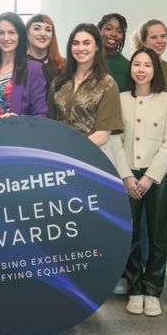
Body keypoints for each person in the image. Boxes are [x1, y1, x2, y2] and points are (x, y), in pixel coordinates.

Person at [49, 23, 125, 293]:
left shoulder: (107, 84)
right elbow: (51, 124)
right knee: (60, 228)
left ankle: (88, 288)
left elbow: (103, 134)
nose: (80, 48)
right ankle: (62, 286)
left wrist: (69, 154)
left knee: (86, 230)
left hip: (90, 164)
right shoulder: (59, 81)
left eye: (86, 43)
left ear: (97, 47)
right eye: (76, 43)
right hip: (58, 167)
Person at [110, 48, 167, 317]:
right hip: (127, 175)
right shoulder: (120, 99)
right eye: (136, 64)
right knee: (130, 235)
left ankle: (153, 291)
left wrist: (150, 177)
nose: (141, 69)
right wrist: (126, 175)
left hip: (158, 178)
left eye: (147, 65)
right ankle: (135, 289)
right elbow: (114, 139)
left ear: (155, 70)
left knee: (158, 236)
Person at [0, 12, 48, 120]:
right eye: (1, 33)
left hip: (19, 130)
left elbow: (41, 114)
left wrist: (20, 121)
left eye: (11, 32)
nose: (6, 38)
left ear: (20, 36)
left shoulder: (34, 69)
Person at [132, 19, 167, 91]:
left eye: (163, 36)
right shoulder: (134, 69)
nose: (160, 41)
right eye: (153, 37)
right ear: (143, 42)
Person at [26, 14, 65, 84]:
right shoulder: (18, 66)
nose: (43, 34)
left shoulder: (65, 65)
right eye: (37, 28)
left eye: (48, 30)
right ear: (27, 32)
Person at [98, 13, 130, 92]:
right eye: (109, 29)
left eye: (119, 31)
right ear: (99, 30)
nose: (114, 34)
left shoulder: (128, 66)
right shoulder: (87, 61)